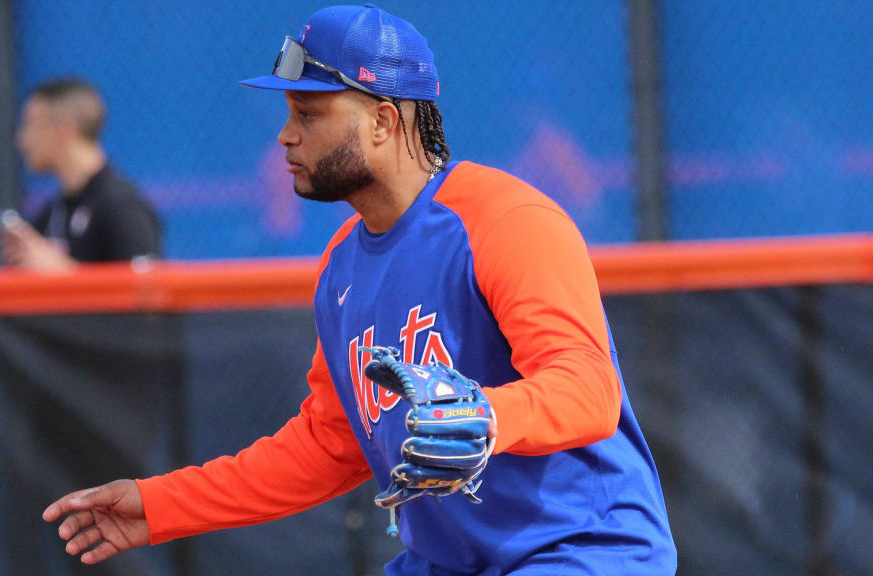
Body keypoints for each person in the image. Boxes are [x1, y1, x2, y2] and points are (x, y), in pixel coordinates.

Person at [42, 5, 677, 574]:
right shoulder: (343, 268)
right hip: (450, 561)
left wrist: (487, 416)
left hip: (579, 550)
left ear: (382, 121)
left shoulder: (504, 218)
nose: (286, 136)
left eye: (309, 113)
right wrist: (159, 506)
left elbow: (589, 388)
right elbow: (327, 445)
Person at [0, 78, 161, 271]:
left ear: (62, 130)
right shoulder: (54, 213)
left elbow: (148, 292)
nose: (22, 140)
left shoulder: (122, 206)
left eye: (31, 125)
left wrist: (65, 274)